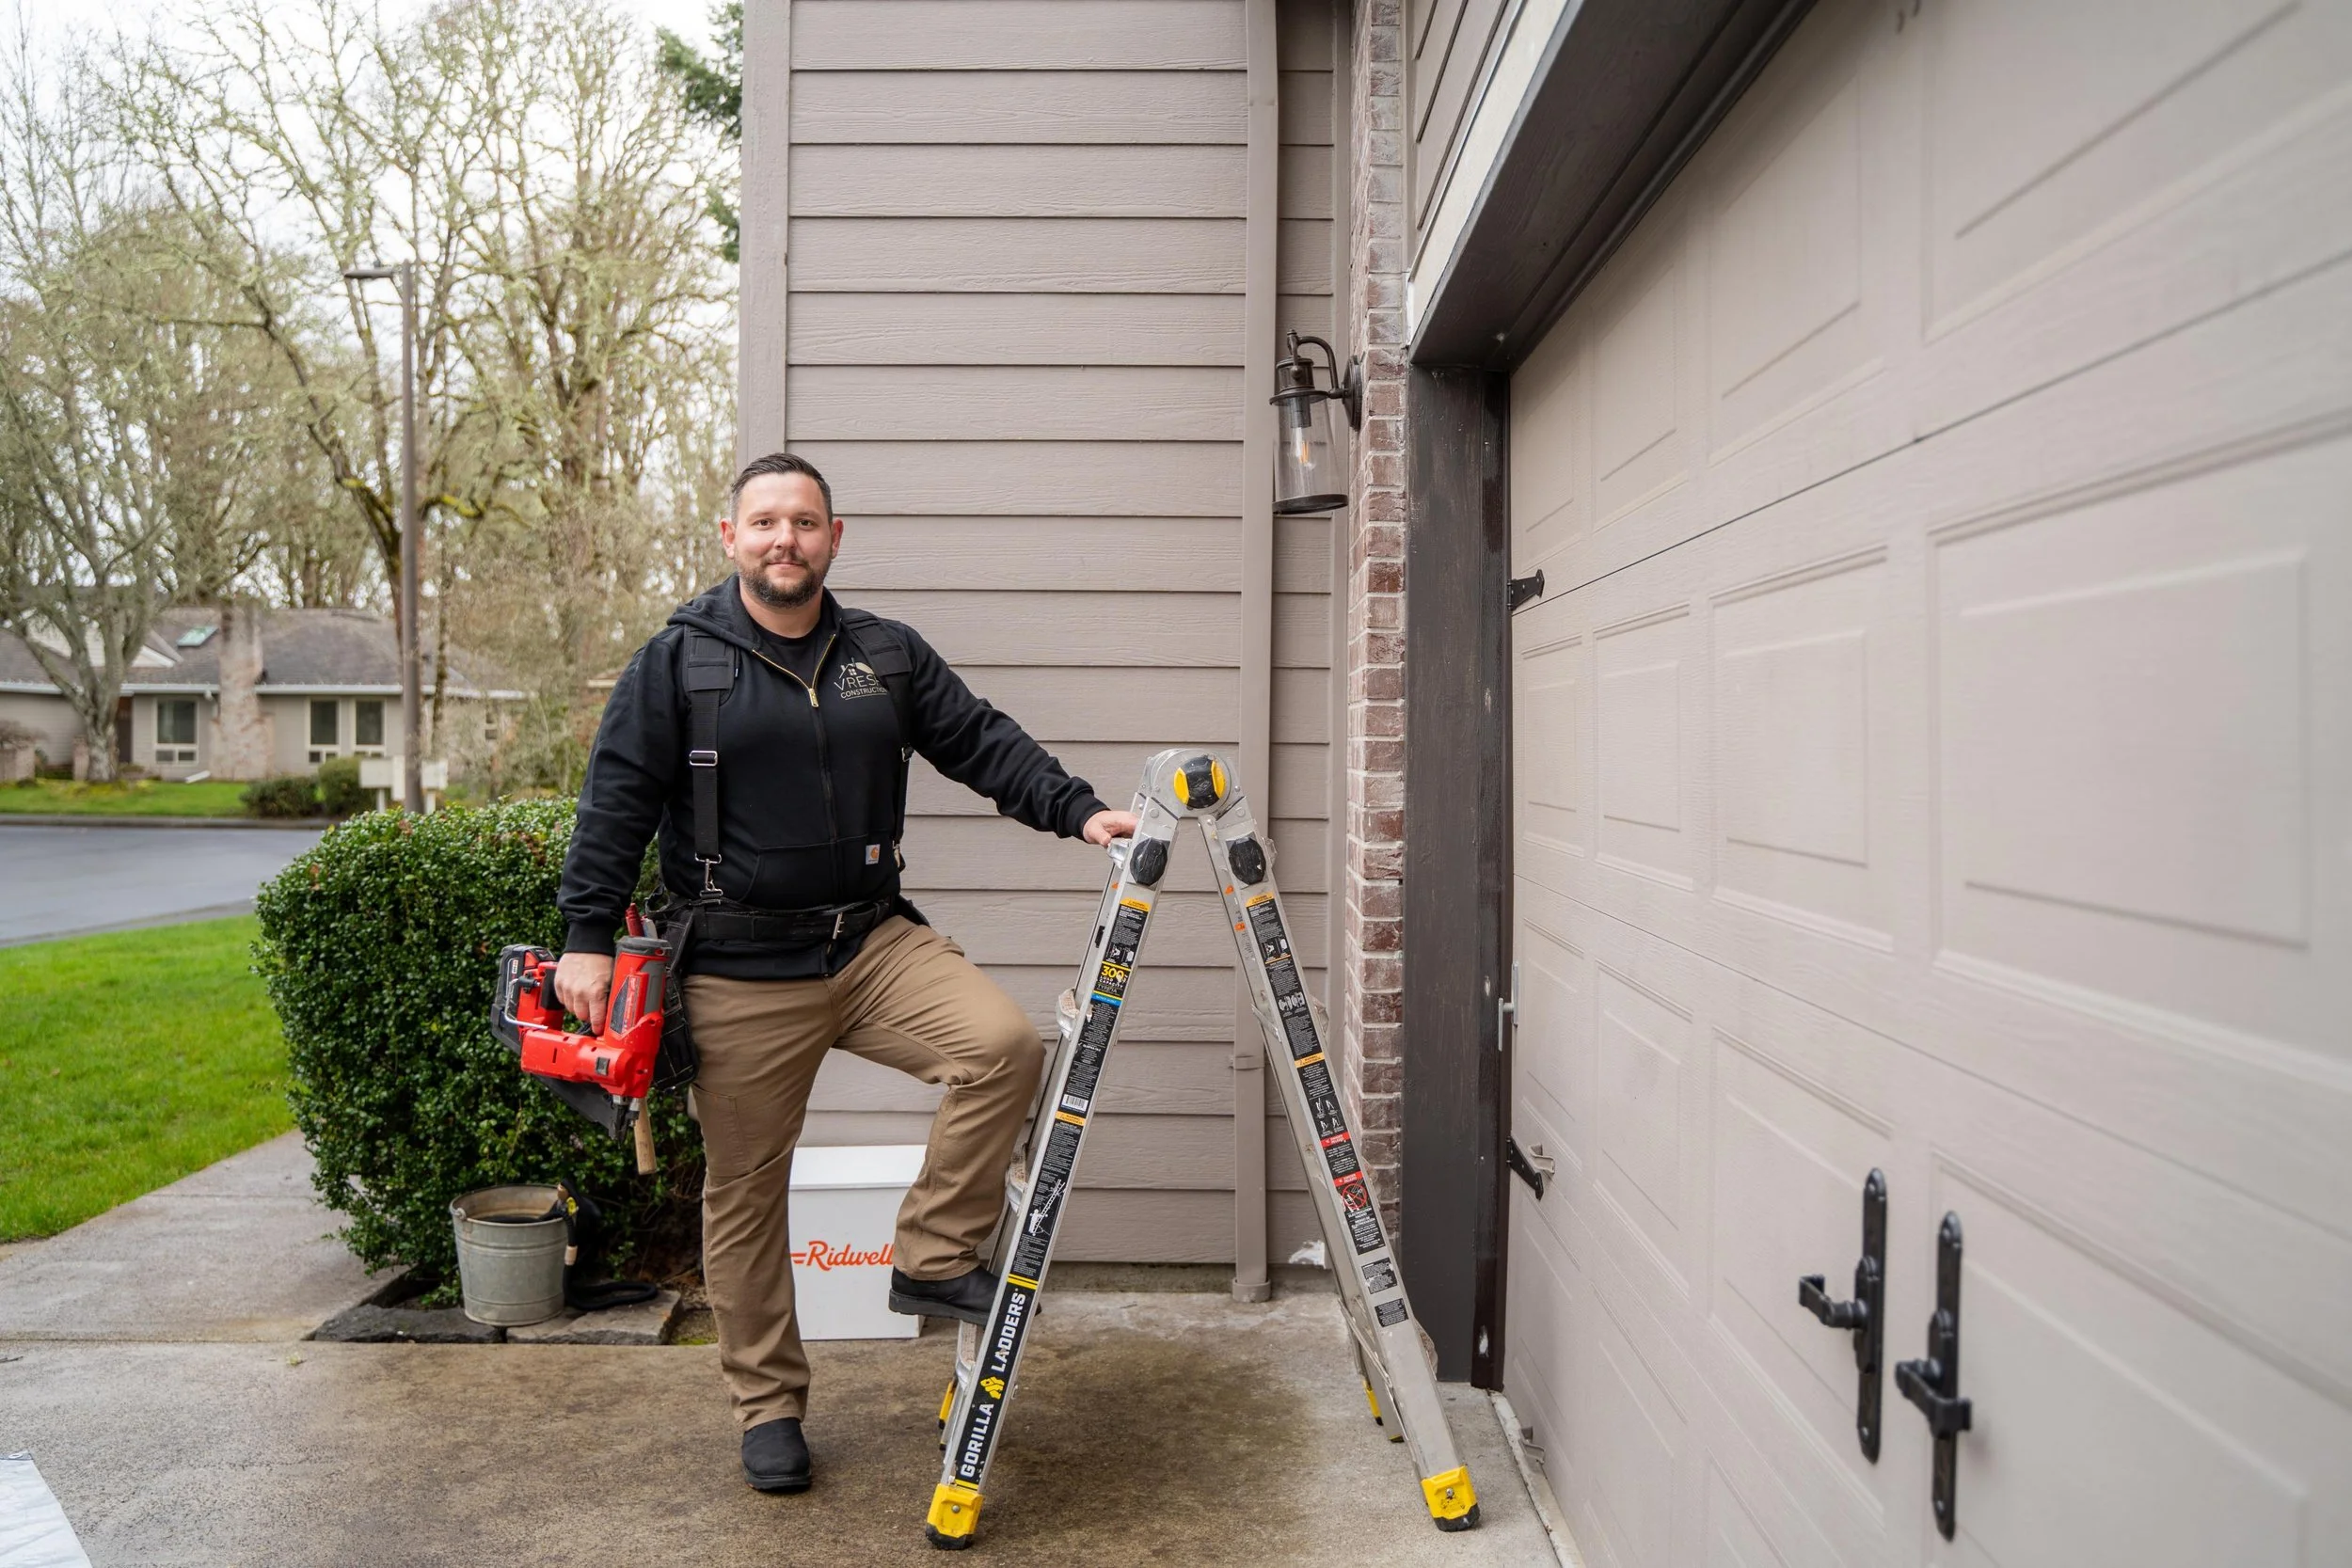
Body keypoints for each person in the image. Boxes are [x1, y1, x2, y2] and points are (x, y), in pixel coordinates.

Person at [553, 451, 1136, 1496]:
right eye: (765, 522)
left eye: (806, 521)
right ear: (729, 538)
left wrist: (1076, 808)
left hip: (870, 942)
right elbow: (613, 805)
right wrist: (586, 936)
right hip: (736, 968)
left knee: (1001, 1047)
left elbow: (979, 740)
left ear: (835, 537)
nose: (787, 539)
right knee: (744, 1192)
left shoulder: (885, 654)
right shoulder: (679, 662)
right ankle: (768, 1405)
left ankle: (931, 1249)